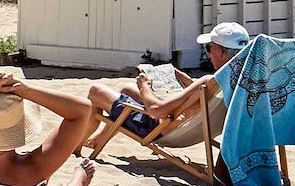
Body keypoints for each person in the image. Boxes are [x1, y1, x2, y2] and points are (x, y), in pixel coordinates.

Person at [87, 22, 251, 136]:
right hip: (184, 127)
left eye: (210, 48)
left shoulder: (208, 80)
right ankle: (98, 140)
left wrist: (145, 85)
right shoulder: (239, 81)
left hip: (156, 127)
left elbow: (156, 110)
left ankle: (78, 142)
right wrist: (191, 84)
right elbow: (210, 97)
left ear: (221, 52)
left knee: (96, 91)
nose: (208, 53)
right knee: (126, 90)